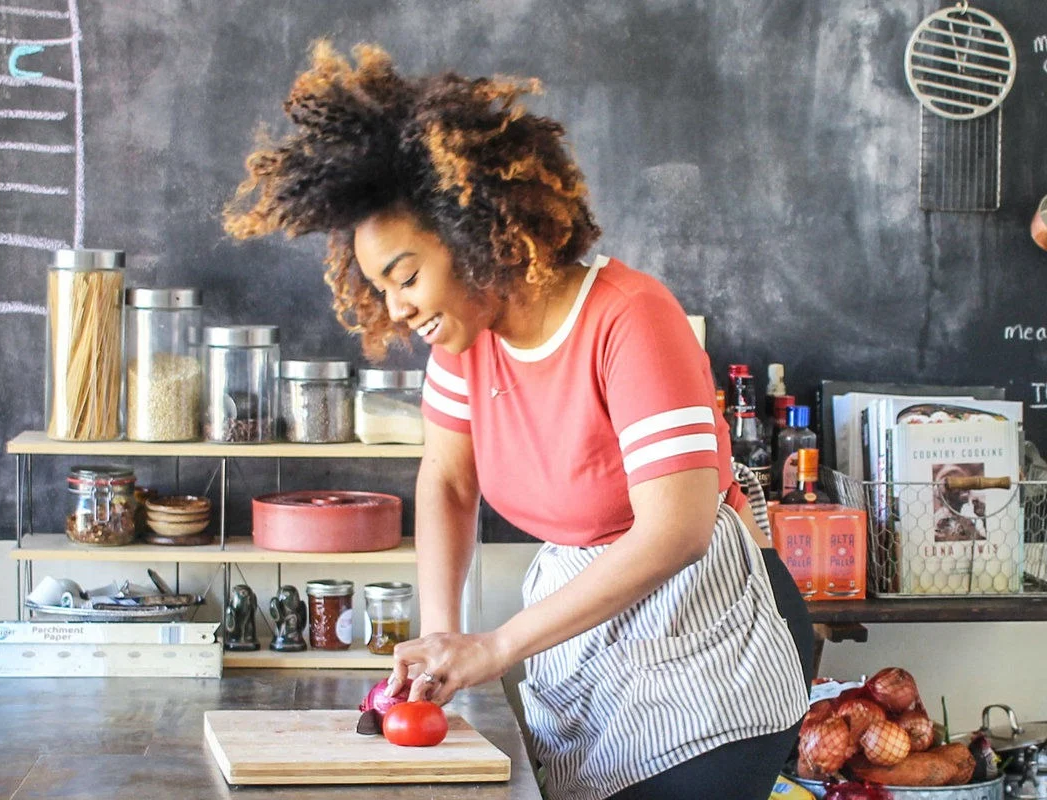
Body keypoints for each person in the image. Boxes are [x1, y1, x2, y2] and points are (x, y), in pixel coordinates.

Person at [223, 41, 814, 800]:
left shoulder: (630, 317)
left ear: (471, 229)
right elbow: (446, 478)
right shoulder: (470, 338)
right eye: (381, 287)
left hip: (707, 633)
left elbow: (677, 530)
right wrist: (441, 639)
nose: (397, 309)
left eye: (406, 276)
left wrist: (495, 646)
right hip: (589, 626)